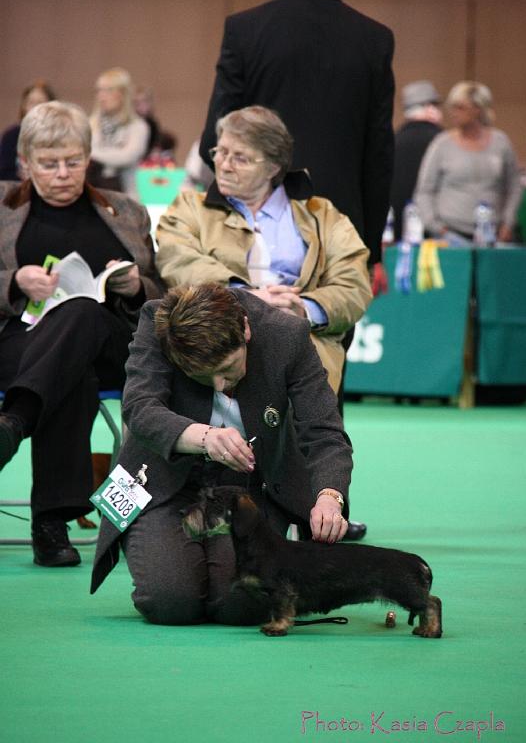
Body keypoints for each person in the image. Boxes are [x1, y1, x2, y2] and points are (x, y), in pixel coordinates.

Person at [156, 105, 372, 541]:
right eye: (220, 152)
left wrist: (304, 309)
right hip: (216, 331)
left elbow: (354, 283)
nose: (223, 163)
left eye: (240, 156)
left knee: (302, 375)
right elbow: (177, 261)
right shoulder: (190, 208)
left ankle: (318, 504)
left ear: (274, 166)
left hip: (302, 336)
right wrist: (246, 298)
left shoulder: (322, 215)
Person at [90, 283, 354, 626]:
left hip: (250, 490)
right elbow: (139, 408)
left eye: (228, 368)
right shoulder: (157, 323)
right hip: (159, 478)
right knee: (171, 603)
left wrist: (330, 497)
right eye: (201, 376)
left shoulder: (287, 334)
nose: (219, 385)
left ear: (244, 329)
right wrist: (203, 437)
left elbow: (324, 432)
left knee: (243, 605)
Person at [0, 101, 164, 567]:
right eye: (48, 164)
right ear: (25, 163)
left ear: (89, 157)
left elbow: (163, 292)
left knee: (81, 315)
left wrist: (137, 286)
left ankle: (14, 423)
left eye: (73, 162)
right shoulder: (1, 209)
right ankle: (50, 525)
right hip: (21, 341)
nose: (62, 174)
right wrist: (13, 282)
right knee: (73, 377)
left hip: (111, 340)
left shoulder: (128, 211)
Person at [199, 0, 395, 269]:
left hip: (256, 227)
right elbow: (379, 160)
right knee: (330, 319)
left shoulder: (244, 30)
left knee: (254, 320)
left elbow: (213, 141)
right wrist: (370, 251)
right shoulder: (375, 39)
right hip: (340, 231)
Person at [414, 81, 522, 244]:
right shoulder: (441, 144)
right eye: (453, 107)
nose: (453, 113)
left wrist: (508, 223)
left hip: (493, 234)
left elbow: (514, 187)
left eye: (460, 107)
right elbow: (424, 191)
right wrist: (437, 228)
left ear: (478, 109)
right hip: (450, 234)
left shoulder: (501, 143)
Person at [390, 80, 443, 241]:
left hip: (397, 230)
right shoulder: (442, 141)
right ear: (429, 108)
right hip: (436, 230)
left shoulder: (393, 140)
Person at [89, 67, 150, 199]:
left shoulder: (138, 126)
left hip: (126, 198)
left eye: (108, 90)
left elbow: (127, 157)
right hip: (94, 196)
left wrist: (93, 153)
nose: (101, 96)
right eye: (99, 90)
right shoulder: (90, 124)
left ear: (122, 94)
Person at [0, 80, 56, 180]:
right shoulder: (11, 136)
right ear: (24, 106)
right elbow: (4, 172)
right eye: (31, 102)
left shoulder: (59, 135)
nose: (35, 107)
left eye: (40, 102)